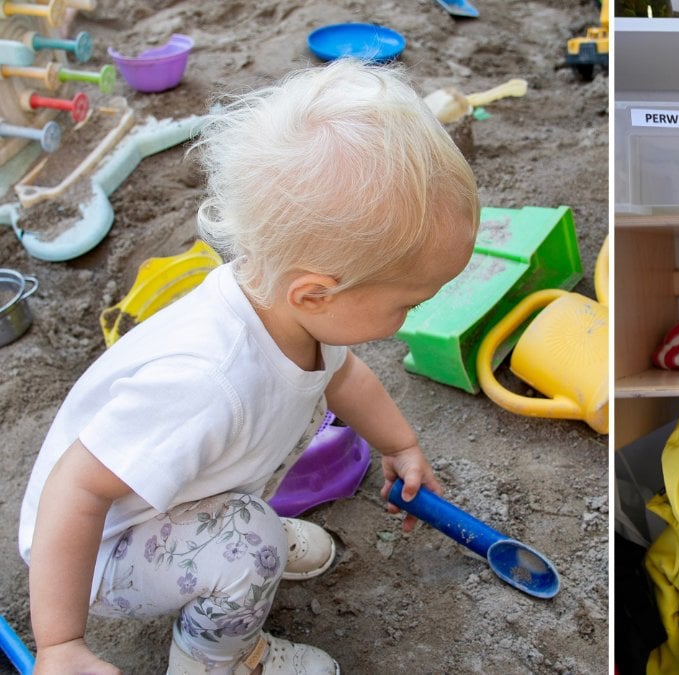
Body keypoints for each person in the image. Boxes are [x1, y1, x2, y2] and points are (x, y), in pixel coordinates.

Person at [18, 58, 479, 674]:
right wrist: (60, 644)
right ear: (316, 293)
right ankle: (217, 657)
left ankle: (229, 540)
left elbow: (343, 377)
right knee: (248, 540)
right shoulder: (205, 380)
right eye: (410, 301)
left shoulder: (297, 310)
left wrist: (400, 443)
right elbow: (76, 489)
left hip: (180, 501)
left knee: (248, 524)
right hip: (96, 551)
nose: (419, 312)